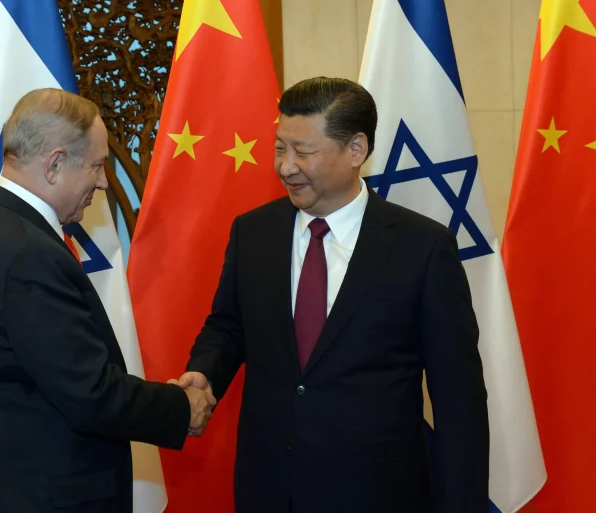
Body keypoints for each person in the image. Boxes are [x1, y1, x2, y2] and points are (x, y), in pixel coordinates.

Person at [174, 77, 489, 513]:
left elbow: (458, 398)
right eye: (280, 148)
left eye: (303, 152)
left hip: (378, 493)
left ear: (356, 149)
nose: (286, 166)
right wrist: (205, 373)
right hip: (270, 487)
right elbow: (229, 326)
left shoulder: (423, 247)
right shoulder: (253, 232)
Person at [0, 88, 215, 513]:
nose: (103, 182)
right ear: (55, 164)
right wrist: (181, 408)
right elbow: (89, 392)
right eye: (97, 166)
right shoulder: (28, 251)